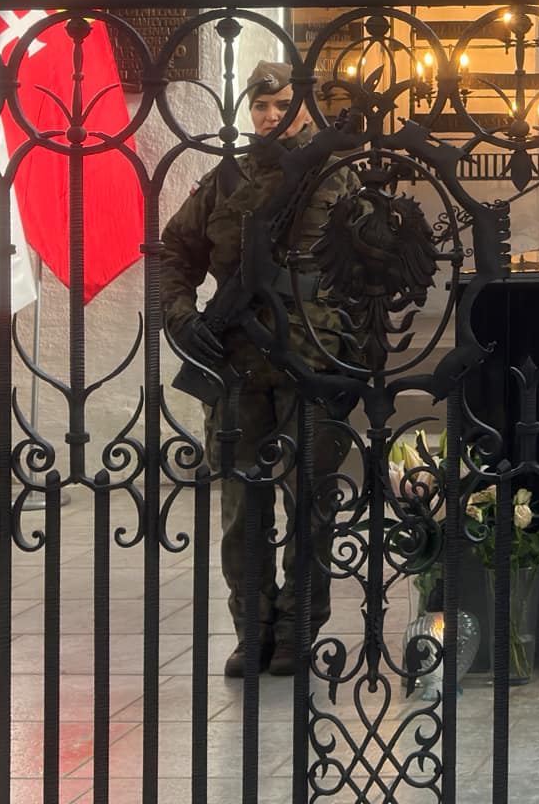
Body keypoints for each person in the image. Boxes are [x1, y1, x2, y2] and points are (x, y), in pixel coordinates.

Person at [162, 61, 349, 677]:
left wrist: (358, 353)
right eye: (260, 107)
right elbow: (175, 250)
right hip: (236, 358)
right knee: (243, 506)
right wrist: (181, 315)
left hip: (313, 357)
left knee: (310, 501)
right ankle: (252, 629)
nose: (270, 117)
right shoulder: (226, 178)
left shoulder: (335, 173)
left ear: (304, 107)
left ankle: (298, 627)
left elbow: (371, 265)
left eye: (281, 105)